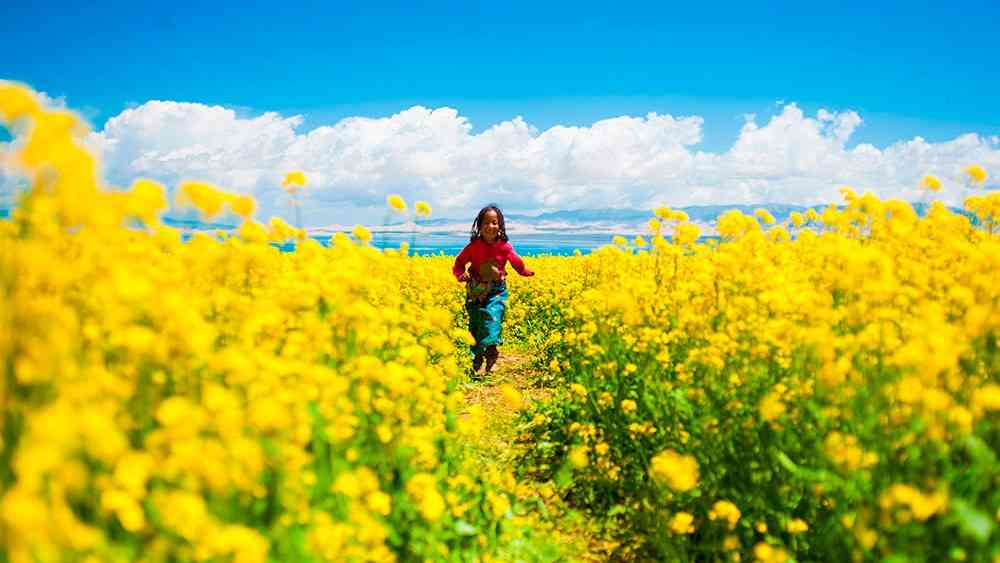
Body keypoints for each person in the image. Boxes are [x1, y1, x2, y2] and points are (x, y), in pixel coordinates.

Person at [453, 204, 534, 375]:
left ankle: (491, 353)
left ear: (500, 226)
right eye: (486, 223)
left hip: (497, 290)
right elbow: (459, 264)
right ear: (479, 226)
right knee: (476, 324)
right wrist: (461, 275)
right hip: (476, 291)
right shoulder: (473, 246)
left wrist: (523, 271)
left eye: (495, 223)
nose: (491, 227)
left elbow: (515, 261)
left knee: (492, 318)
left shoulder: (504, 246)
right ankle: (476, 358)